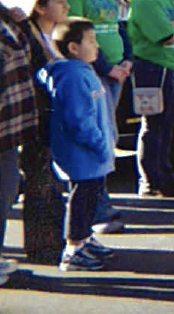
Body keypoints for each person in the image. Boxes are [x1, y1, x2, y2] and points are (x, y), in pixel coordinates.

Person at [58, 0, 132, 232]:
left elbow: (118, 25)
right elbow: (75, 34)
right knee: (96, 138)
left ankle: (101, 200)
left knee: (109, 135)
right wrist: (105, 67)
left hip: (116, 71)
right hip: (96, 73)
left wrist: (127, 59)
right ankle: (96, 209)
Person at [37, 18, 117, 271]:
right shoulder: (71, 76)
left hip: (91, 152)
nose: (97, 46)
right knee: (82, 197)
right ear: (73, 48)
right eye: (91, 41)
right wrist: (100, 144)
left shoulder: (82, 71)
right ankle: (74, 249)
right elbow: (78, 120)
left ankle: (84, 239)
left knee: (91, 195)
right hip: (83, 152)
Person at [126, 0, 174, 197]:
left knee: (168, 124)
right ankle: (151, 179)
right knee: (154, 125)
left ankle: (165, 171)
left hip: (171, 65)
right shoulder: (142, 1)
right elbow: (166, 36)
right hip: (152, 68)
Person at [20, 0, 68, 261]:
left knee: (54, 182)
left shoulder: (62, 35)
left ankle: (55, 238)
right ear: (39, 6)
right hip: (38, 119)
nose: (66, 7)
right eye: (59, 1)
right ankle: (40, 245)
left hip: (59, 118)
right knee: (40, 180)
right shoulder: (30, 37)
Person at [0, 2, 38, 284]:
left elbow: (29, 51)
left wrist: (21, 23)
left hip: (8, 127)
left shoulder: (6, 16)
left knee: (7, 188)